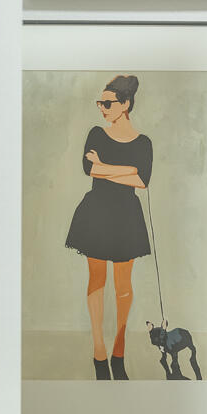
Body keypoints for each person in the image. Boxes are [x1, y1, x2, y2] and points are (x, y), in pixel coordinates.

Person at [64, 75, 153, 380]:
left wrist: (107, 168)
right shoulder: (96, 134)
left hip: (126, 215)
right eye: (100, 102)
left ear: (125, 104)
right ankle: (99, 349)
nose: (102, 108)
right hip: (97, 213)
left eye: (108, 102)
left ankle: (119, 348)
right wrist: (125, 170)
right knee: (97, 279)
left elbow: (142, 180)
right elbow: (89, 168)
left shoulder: (143, 142)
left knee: (124, 286)